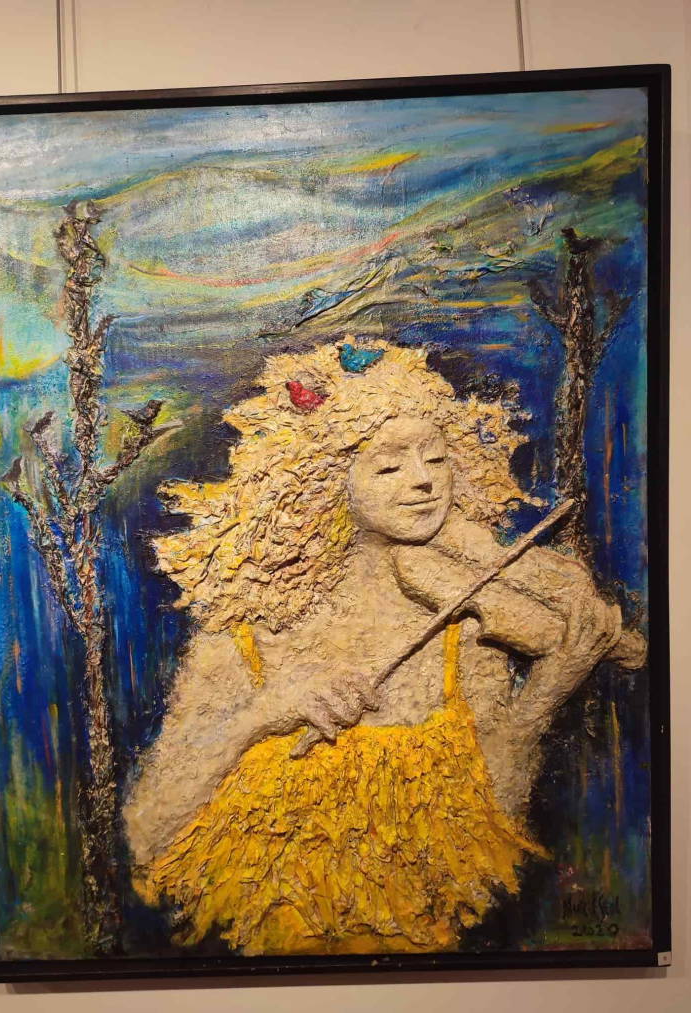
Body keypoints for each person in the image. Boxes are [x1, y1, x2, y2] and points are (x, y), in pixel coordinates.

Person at [123, 342, 636, 955]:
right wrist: (265, 712)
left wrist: (549, 688)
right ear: (320, 484)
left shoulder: (465, 623)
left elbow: (494, 825)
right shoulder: (246, 626)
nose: (424, 481)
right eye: (389, 467)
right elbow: (149, 832)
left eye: (437, 459)